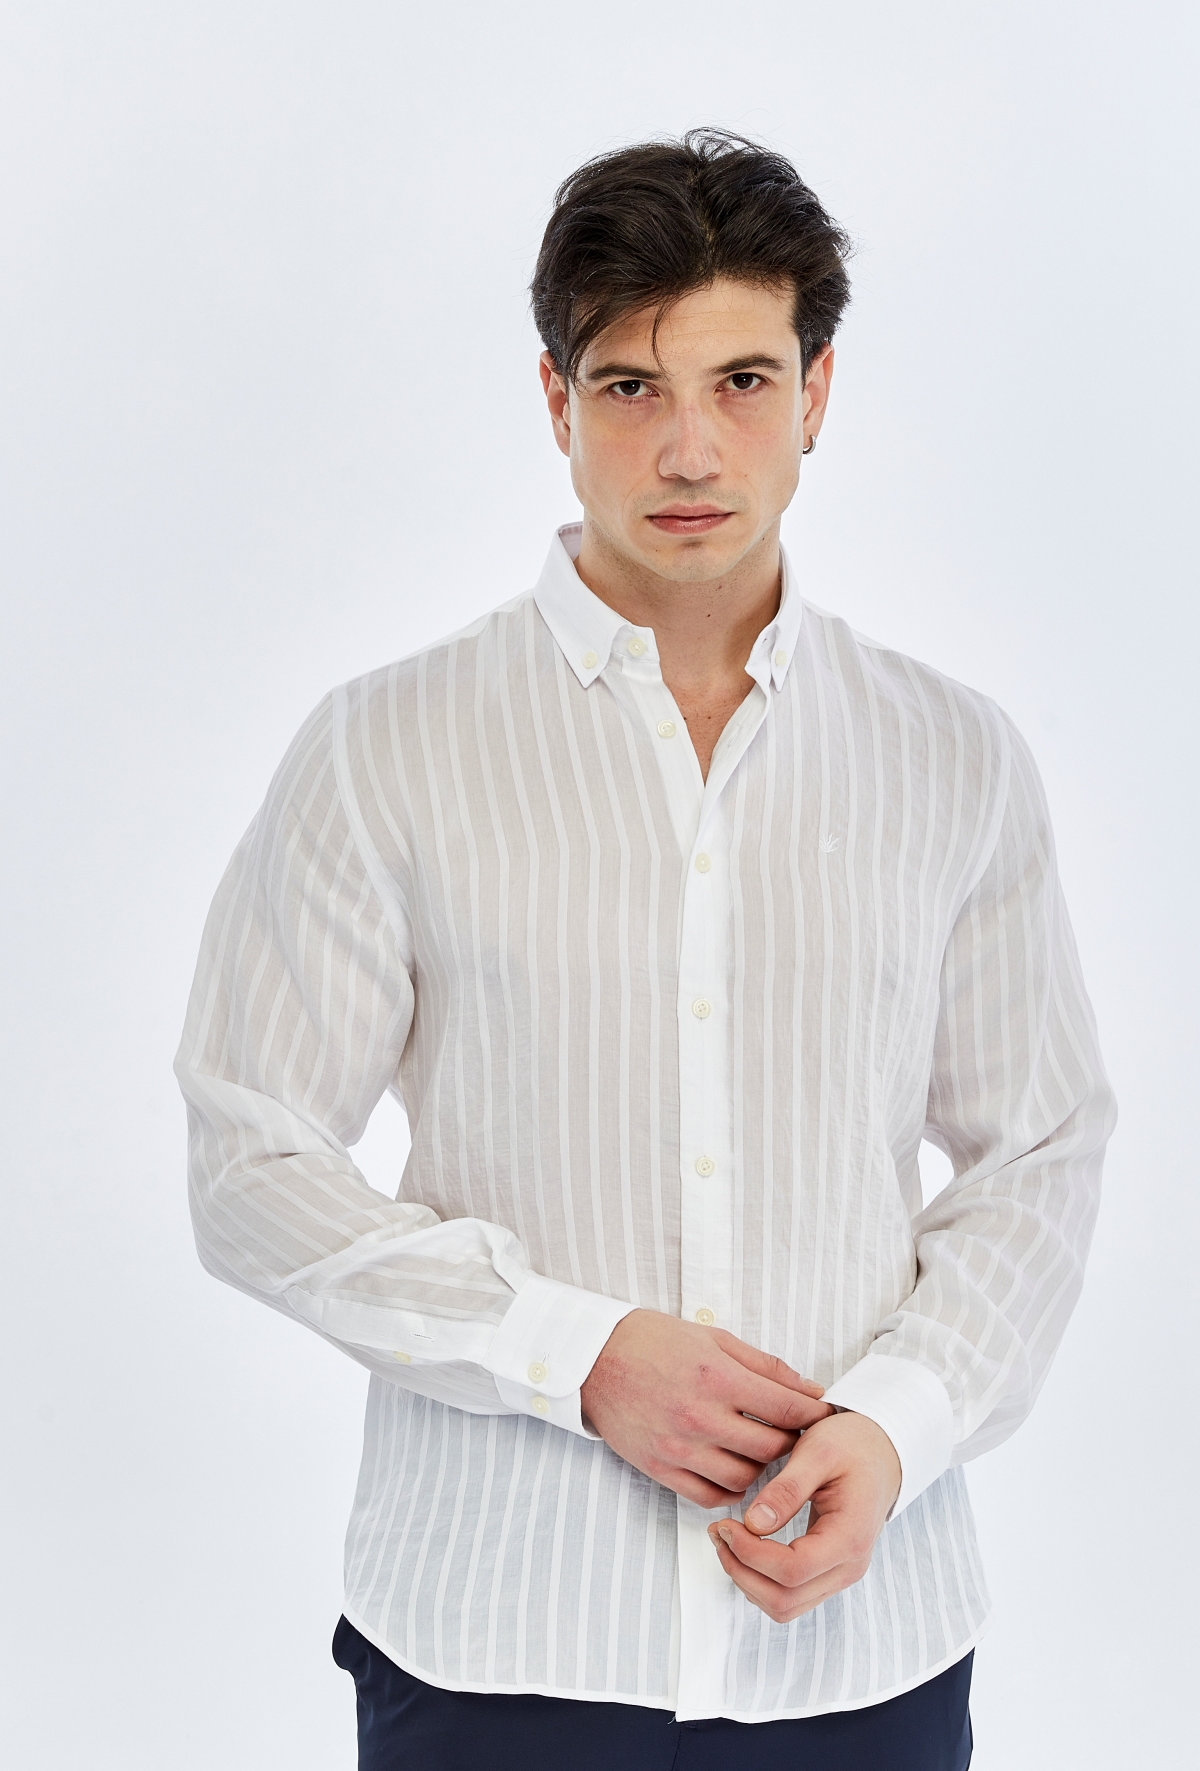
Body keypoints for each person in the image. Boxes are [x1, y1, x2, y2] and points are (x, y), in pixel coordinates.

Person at [176, 129, 1115, 1769]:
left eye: (744, 381)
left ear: (819, 394)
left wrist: (900, 1424)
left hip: (857, 1650)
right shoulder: (385, 748)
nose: (688, 448)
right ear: (557, 403)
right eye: (630, 387)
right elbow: (250, 1159)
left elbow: (1039, 1151)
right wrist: (575, 1353)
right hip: (494, 1642)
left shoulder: (952, 758)